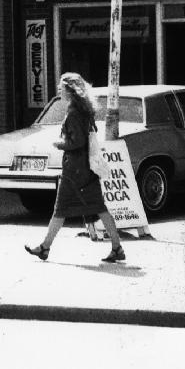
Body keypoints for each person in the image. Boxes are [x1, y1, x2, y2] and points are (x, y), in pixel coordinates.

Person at [25, 71, 126, 263]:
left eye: (62, 88)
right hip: (85, 169)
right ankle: (117, 247)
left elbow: (77, 141)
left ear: (70, 91)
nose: (59, 91)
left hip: (74, 171)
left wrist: (60, 144)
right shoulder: (84, 110)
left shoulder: (73, 113)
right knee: (100, 208)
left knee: (60, 209)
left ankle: (45, 247)